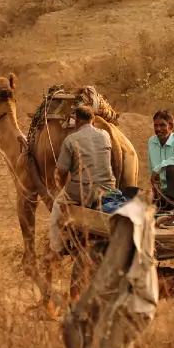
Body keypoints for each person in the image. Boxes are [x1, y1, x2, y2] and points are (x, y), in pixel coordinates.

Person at [51, 104, 118, 251]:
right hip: (109, 189)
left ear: (77, 120)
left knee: (57, 205)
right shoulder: (105, 135)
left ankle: (57, 249)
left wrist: (63, 188)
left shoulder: (70, 140)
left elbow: (61, 172)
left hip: (84, 192)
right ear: (92, 119)